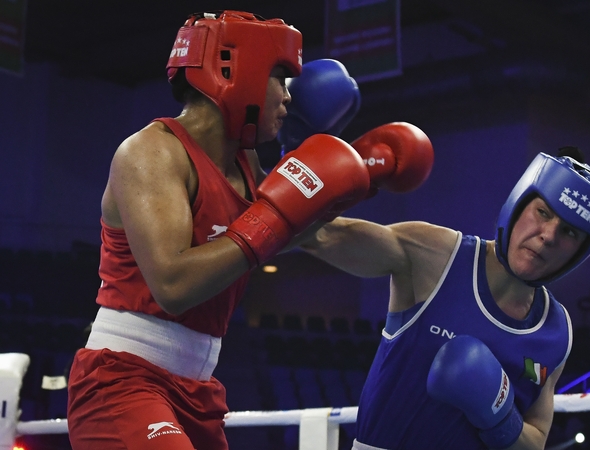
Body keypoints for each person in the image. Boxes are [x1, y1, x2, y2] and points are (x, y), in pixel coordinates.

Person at [65, 10, 381, 450]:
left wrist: (355, 186)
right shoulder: (150, 152)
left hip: (198, 388)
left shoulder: (245, 165)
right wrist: (278, 215)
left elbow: (284, 237)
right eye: (280, 79)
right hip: (124, 378)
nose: (288, 97)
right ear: (241, 73)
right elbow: (173, 284)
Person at [298, 147, 590, 449]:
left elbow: (536, 440)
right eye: (543, 212)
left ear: (580, 252)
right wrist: (314, 180)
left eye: (569, 232)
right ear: (519, 203)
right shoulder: (438, 255)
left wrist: (498, 416)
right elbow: (319, 237)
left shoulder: (556, 331)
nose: (549, 235)